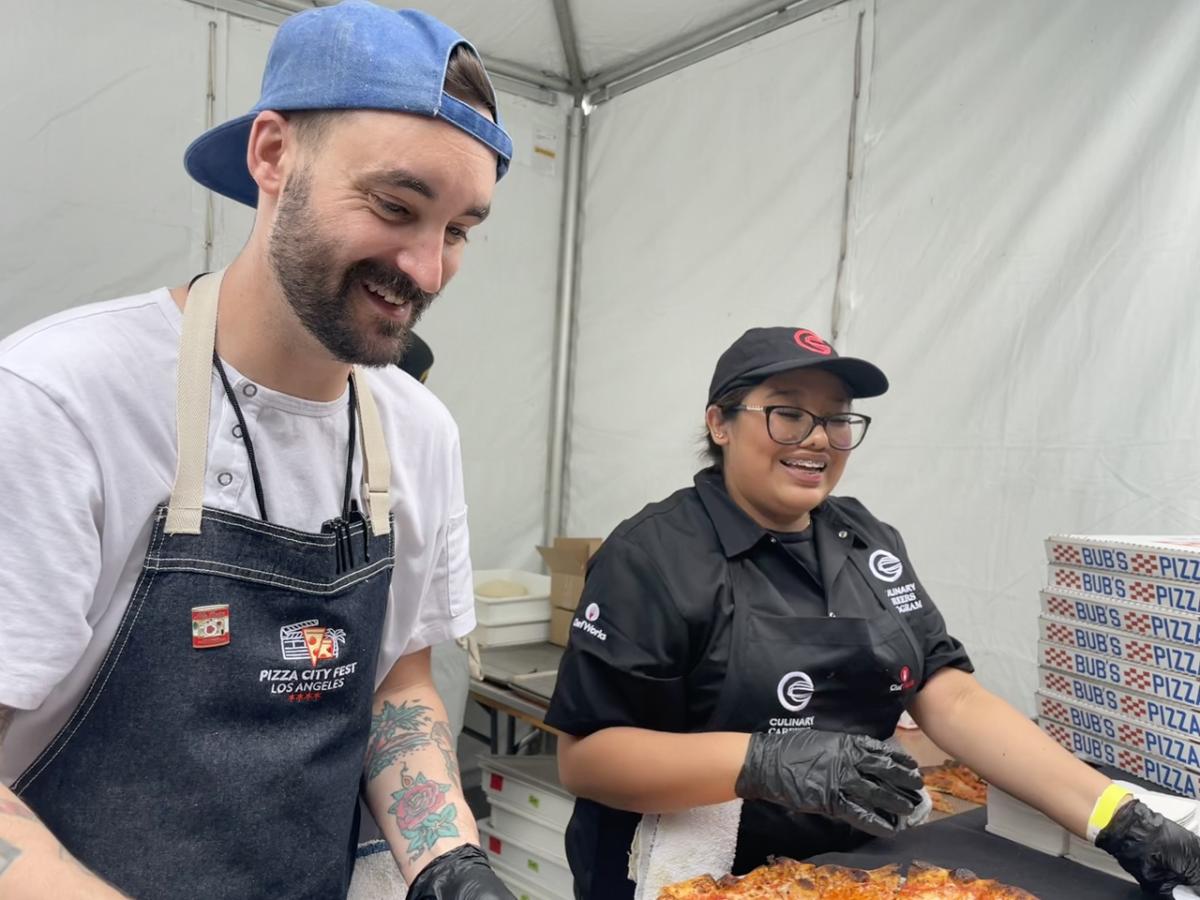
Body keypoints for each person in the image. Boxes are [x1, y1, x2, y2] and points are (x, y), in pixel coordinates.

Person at [0, 3, 516, 898]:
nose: (427, 270)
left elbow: (397, 683)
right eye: (395, 206)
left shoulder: (419, 435)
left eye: (459, 230)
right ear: (273, 155)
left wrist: (450, 863)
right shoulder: (60, 401)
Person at [545, 326, 1200, 898]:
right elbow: (588, 759)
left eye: (837, 419)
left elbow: (952, 699)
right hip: (681, 873)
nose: (817, 438)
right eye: (788, 414)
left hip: (845, 868)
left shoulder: (867, 542)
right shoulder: (652, 556)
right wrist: (764, 762)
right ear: (720, 423)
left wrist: (1119, 819)